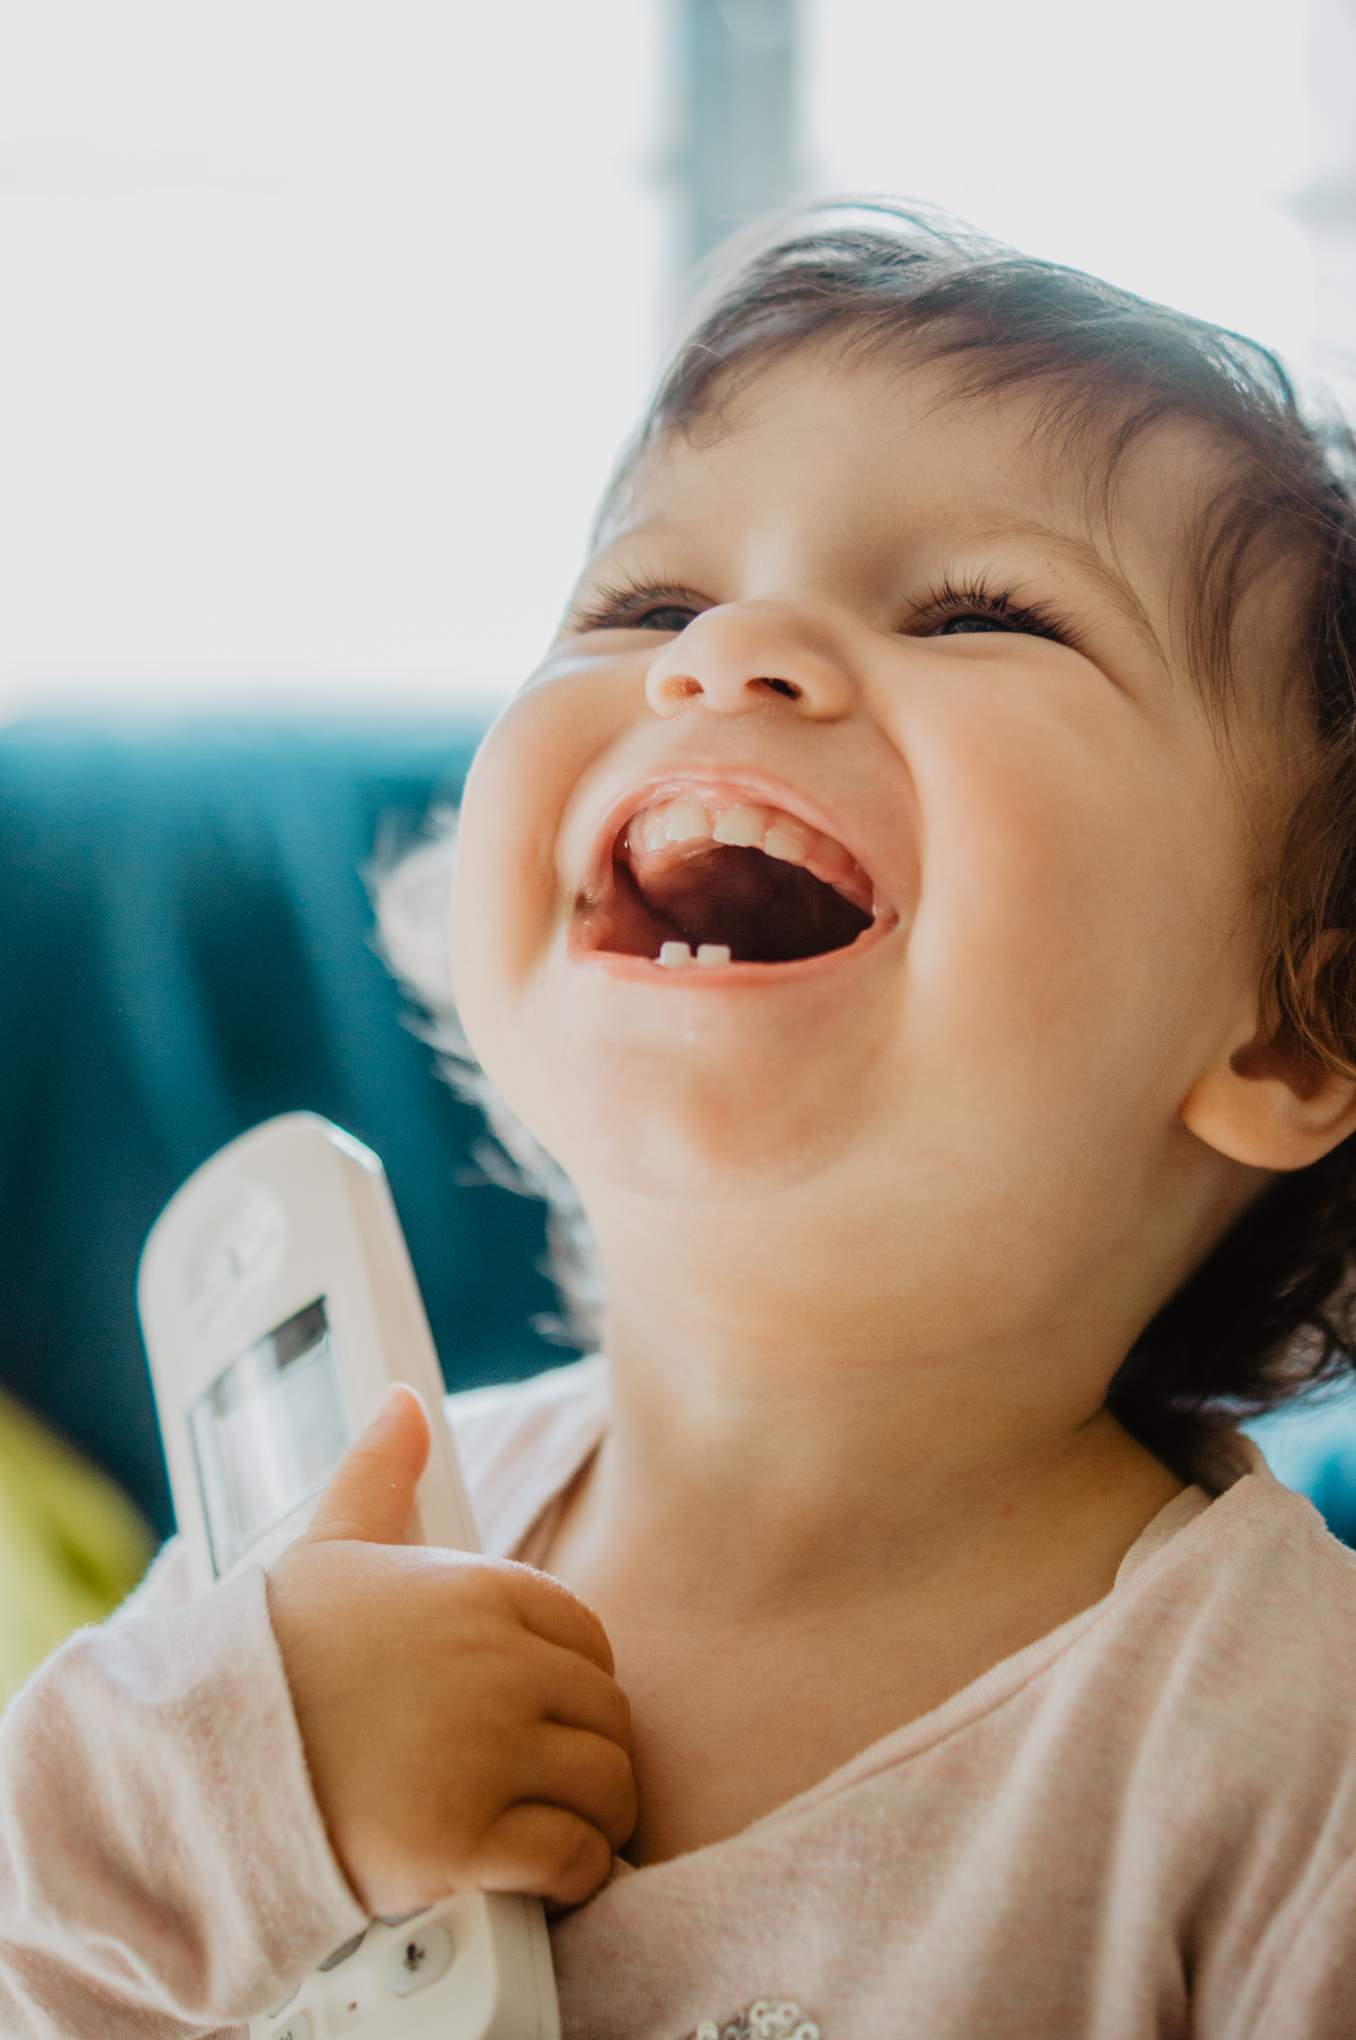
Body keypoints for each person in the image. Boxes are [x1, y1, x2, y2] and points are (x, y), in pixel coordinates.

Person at [6, 200, 1356, 2038]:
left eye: (980, 611)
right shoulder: (301, 1592)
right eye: (649, 602)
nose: (729, 651)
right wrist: (224, 1798)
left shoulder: (1287, 1757)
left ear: (1288, 1038)